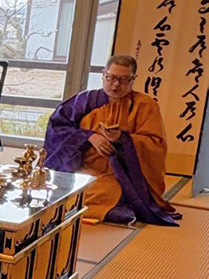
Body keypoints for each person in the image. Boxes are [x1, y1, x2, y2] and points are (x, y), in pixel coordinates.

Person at [44, 55, 180, 226]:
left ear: (133, 79)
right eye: (112, 78)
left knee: (109, 191)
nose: (116, 85)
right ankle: (112, 210)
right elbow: (57, 128)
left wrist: (123, 140)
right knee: (69, 189)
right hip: (84, 169)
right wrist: (89, 137)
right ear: (103, 74)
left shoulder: (145, 105)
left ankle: (115, 208)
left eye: (124, 80)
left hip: (120, 175)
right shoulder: (84, 101)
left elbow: (155, 144)